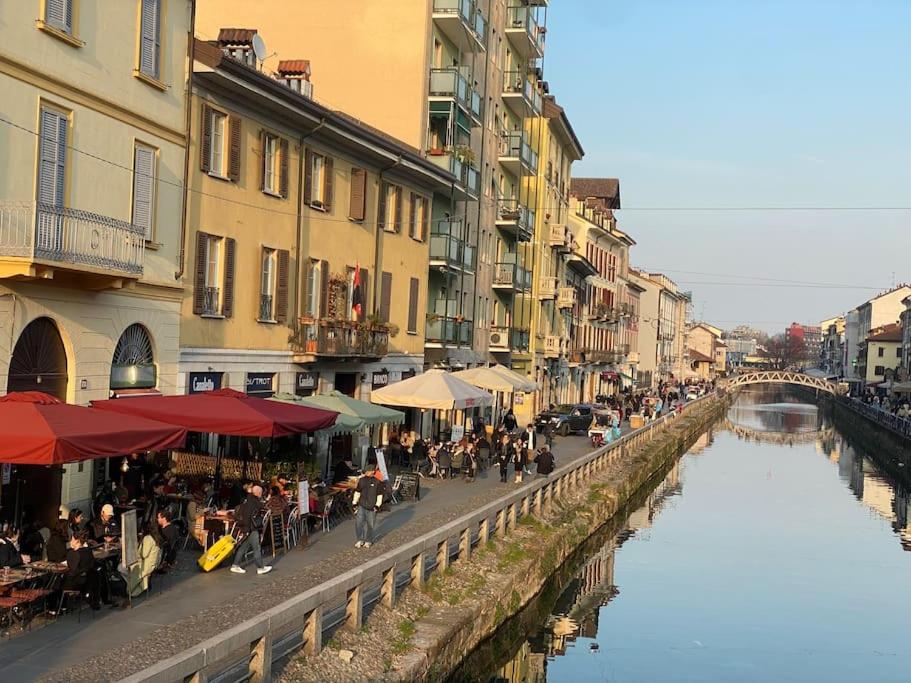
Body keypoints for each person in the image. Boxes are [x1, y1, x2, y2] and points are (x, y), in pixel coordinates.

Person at [229, 485, 272, 575]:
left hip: (247, 527)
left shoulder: (249, 500)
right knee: (256, 547)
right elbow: (248, 516)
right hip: (251, 528)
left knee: (244, 546)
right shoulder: (253, 502)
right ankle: (260, 567)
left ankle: (235, 565)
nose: (261, 494)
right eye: (260, 492)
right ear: (258, 493)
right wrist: (247, 529)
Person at [63, 531, 99, 609]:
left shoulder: (73, 553)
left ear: (77, 541)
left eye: (71, 540)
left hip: (77, 583)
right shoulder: (88, 551)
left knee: (57, 583)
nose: (70, 542)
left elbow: (72, 571)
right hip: (88, 581)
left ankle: (61, 606)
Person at [352, 462, 384, 548]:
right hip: (362, 505)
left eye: (367, 471)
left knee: (370, 525)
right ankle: (360, 539)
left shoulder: (378, 482)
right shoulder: (362, 480)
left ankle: (368, 540)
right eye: (365, 471)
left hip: (372, 507)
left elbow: (380, 495)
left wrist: (377, 506)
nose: (365, 473)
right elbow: (357, 492)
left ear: (372, 471)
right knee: (358, 523)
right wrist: (354, 502)